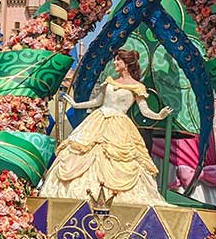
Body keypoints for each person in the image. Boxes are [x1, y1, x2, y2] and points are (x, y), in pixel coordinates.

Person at [40, 49, 173, 205]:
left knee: (117, 159)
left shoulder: (137, 87)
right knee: (83, 152)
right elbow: (97, 102)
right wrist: (76, 105)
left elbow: (144, 110)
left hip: (119, 126)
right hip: (98, 121)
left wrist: (159, 115)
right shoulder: (109, 81)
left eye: (118, 60)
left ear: (127, 63)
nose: (115, 63)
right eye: (115, 59)